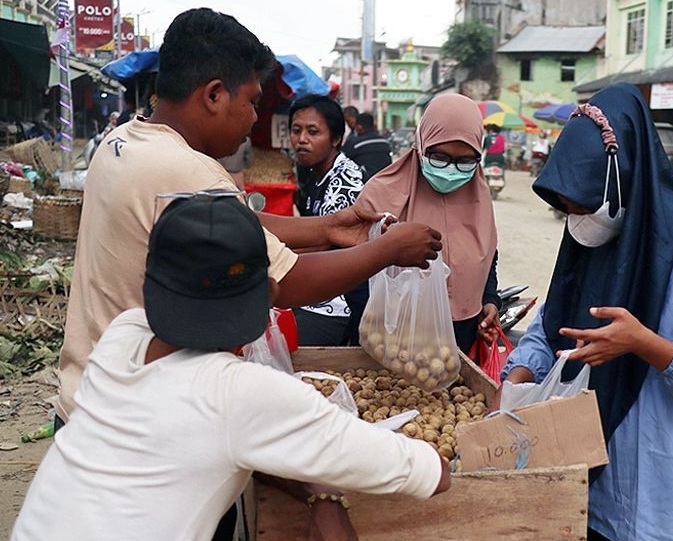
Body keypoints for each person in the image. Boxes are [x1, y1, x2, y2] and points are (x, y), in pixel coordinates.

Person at [56, 9, 442, 539]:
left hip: (89, 401)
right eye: (252, 103)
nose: (253, 120)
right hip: (156, 431)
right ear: (214, 95)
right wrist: (388, 250)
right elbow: (287, 282)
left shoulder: (126, 143)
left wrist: (327, 228)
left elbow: (228, 222)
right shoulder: (191, 172)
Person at [11, 193, 450, 541]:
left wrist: (322, 495)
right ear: (270, 297)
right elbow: (431, 474)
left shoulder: (122, 337)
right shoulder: (241, 394)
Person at [496, 83, 673, 541]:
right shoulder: (587, 244)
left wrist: (644, 343)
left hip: (665, 494)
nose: (577, 220)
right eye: (568, 210)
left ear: (625, 178)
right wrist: (520, 376)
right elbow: (551, 325)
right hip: (592, 483)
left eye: (584, 205)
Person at [355, 94, 500, 354]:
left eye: (466, 160)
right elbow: (355, 272)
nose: (451, 170)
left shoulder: (480, 196)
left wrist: (490, 299)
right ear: (421, 146)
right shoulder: (379, 195)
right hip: (394, 339)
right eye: (439, 157)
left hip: (461, 338)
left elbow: (489, 255)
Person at [289, 95, 368, 345]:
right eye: (296, 130)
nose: (302, 140)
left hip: (339, 302)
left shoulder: (345, 180)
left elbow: (323, 243)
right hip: (322, 286)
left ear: (336, 139)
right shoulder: (317, 172)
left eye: (313, 132)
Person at [342, 110, 392, 177]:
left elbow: (343, 162)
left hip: (364, 183)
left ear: (359, 127)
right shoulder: (385, 143)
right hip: (384, 181)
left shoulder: (354, 143)